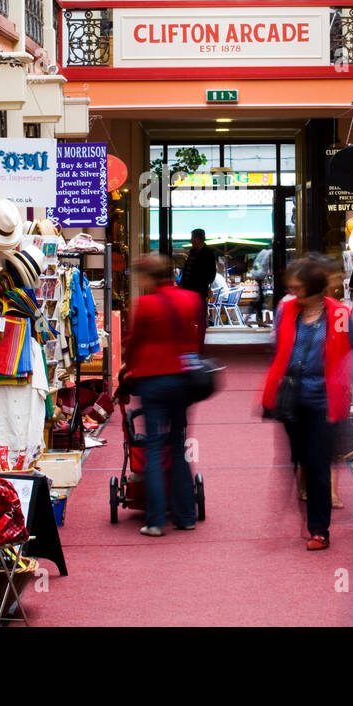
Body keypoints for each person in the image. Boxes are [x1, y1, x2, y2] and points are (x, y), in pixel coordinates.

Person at [260, 257, 353, 551]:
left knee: (317, 463)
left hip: (325, 397)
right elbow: (279, 348)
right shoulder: (286, 309)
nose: (293, 292)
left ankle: (319, 529)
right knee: (297, 458)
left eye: (298, 287)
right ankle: (308, 513)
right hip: (290, 396)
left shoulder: (339, 313)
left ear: (313, 288)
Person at [120, 254, 202, 537]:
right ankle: (186, 516)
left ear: (148, 277)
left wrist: (126, 369)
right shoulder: (191, 299)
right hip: (181, 379)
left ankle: (155, 521)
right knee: (178, 446)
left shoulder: (144, 305)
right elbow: (195, 339)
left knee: (154, 446)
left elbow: (134, 343)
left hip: (152, 380)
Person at [177, 228, 217, 347]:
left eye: (192, 237)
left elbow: (212, 273)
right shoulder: (192, 252)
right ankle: (189, 342)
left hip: (200, 290)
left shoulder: (208, 253)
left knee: (200, 318)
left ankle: (199, 343)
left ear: (198, 238)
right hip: (187, 291)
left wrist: (204, 284)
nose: (191, 240)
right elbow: (187, 271)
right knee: (188, 317)